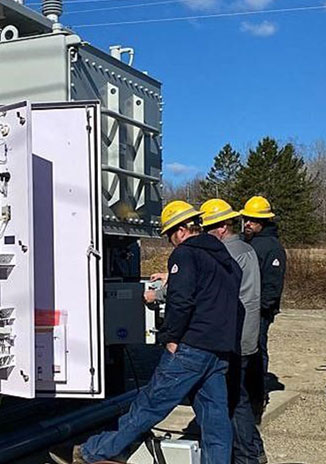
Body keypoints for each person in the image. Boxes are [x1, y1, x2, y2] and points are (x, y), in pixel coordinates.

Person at [51, 200, 242, 464]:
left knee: (150, 404)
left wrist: (170, 337)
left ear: (181, 230)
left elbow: (181, 301)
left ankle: (91, 452)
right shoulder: (225, 259)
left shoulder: (185, 254)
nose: (170, 242)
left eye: (169, 235)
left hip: (190, 347)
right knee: (215, 417)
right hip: (219, 350)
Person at [200, 198, 263, 464]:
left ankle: (246, 456)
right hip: (246, 335)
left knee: (234, 400)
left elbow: (206, 287)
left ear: (223, 226)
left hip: (233, 337)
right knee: (240, 396)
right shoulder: (244, 249)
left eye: (208, 228)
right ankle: (254, 450)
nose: (204, 233)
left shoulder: (226, 254)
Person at [240, 196, 286, 384]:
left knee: (257, 349)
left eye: (253, 220)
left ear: (264, 221)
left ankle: (258, 390)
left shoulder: (272, 247)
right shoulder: (245, 242)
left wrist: (261, 308)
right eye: (246, 219)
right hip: (243, 306)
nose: (248, 223)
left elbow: (273, 283)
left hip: (259, 310)